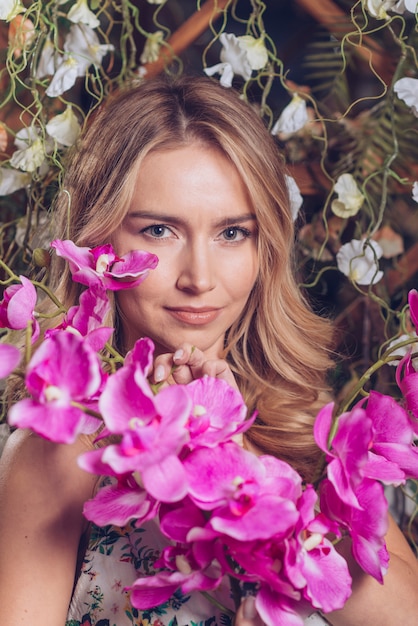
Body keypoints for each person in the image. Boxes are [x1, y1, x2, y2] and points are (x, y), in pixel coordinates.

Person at [0, 75, 416, 626]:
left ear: (264, 246)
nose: (198, 277)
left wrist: (232, 459)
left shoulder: (311, 435)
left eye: (231, 233)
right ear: (96, 241)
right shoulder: (65, 448)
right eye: (158, 230)